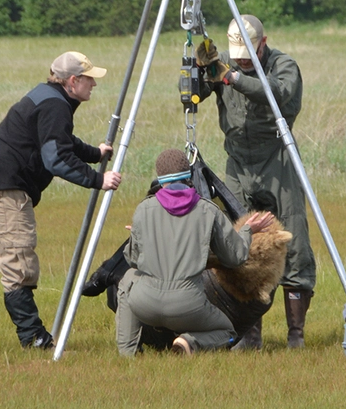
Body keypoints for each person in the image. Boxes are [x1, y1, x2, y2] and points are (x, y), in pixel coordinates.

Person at [0, 51, 121, 351]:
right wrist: (98, 180)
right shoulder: (55, 105)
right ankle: (34, 339)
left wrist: (95, 153)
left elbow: (59, 141)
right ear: (73, 81)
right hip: (7, 191)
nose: (94, 85)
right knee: (18, 265)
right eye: (90, 80)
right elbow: (56, 158)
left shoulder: (46, 97)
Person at [196, 14, 314, 348]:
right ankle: (249, 332)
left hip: (278, 159)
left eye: (247, 54)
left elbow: (277, 93)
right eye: (237, 56)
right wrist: (200, 69)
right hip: (238, 163)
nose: (242, 61)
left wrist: (231, 77)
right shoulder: (226, 66)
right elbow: (192, 97)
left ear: (262, 42)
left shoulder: (284, 65)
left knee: (296, 241)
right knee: (238, 245)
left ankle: (296, 333)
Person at [116, 149, 274, 355]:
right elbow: (235, 257)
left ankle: (127, 352)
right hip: (188, 306)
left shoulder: (143, 210)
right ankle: (188, 342)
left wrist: (141, 235)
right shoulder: (208, 210)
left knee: (128, 277)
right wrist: (247, 231)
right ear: (188, 177)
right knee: (227, 332)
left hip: (145, 303)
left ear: (160, 180)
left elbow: (133, 259)